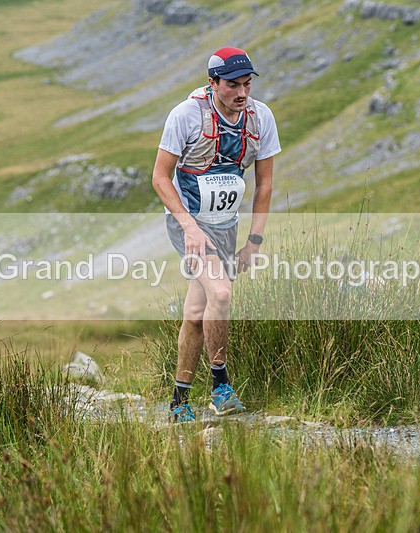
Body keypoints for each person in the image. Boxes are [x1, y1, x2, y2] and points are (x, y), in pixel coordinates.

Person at [152, 46, 281, 422]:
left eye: (247, 84)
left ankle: (179, 402)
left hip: (226, 224)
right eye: (232, 85)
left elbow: (265, 184)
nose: (242, 93)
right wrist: (189, 227)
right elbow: (160, 177)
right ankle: (221, 387)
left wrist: (254, 242)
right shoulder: (186, 116)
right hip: (187, 222)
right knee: (221, 293)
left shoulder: (260, 118)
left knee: (196, 313)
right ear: (213, 83)